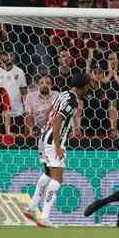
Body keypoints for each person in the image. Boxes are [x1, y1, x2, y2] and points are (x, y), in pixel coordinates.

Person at [22, 73, 91, 228]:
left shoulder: (63, 94)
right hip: (53, 140)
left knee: (48, 173)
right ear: (83, 85)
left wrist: (45, 131)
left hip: (44, 137)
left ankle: (32, 208)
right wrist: (58, 145)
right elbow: (58, 118)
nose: (89, 87)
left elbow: (50, 112)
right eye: (88, 84)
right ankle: (44, 217)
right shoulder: (72, 100)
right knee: (57, 179)